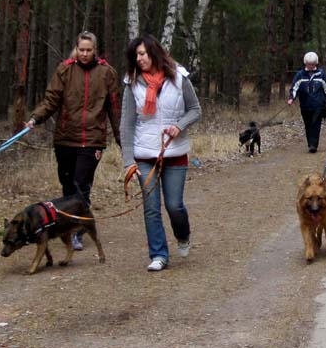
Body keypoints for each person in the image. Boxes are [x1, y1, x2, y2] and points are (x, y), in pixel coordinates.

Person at [26, 31, 121, 251]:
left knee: (81, 186)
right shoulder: (65, 70)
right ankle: (68, 225)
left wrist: (121, 138)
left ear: (95, 50)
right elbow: (51, 100)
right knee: (68, 187)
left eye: (89, 50)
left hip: (92, 140)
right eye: (81, 50)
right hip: (65, 139)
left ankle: (77, 231)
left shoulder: (107, 73)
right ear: (76, 49)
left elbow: (114, 108)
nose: (85, 54)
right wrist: (35, 118)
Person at [120, 34, 201, 272]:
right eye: (136, 55)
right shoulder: (131, 82)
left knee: (174, 206)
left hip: (174, 152)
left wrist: (180, 125)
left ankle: (183, 235)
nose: (139, 58)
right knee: (151, 207)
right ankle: (158, 254)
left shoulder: (179, 77)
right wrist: (128, 161)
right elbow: (126, 123)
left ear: (154, 53)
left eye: (142, 54)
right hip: (144, 155)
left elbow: (195, 109)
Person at [288, 52, 326, 153]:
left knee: (315, 124)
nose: (311, 66)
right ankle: (310, 143)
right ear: (305, 63)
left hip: (318, 105)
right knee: (308, 124)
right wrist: (291, 98)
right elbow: (295, 87)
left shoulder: (321, 74)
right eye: (309, 64)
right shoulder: (300, 75)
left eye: (313, 64)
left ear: (316, 63)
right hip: (305, 105)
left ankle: (314, 145)